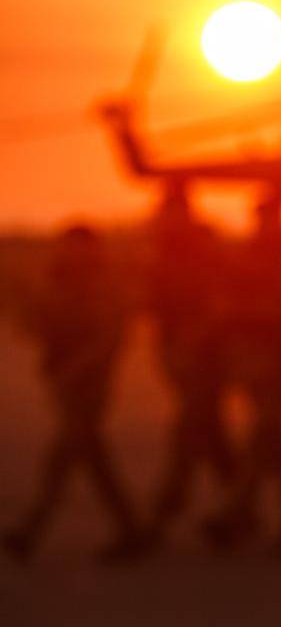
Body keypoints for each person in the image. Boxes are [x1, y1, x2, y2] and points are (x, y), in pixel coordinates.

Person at [2, 225, 145, 562]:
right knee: (91, 457)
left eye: (81, 247)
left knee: (64, 456)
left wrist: (79, 368)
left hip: (89, 383)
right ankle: (130, 529)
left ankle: (31, 530)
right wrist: (21, 303)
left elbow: (110, 337)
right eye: (70, 246)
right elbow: (37, 327)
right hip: (62, 380)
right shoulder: (57, 281)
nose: (75, 253)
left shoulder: (104, 284)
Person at [203, 189, 281, 550]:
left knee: (263, 436)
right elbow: (226, 307)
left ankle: (235, 512)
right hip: (253, 360)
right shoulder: (249, 257)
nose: (262, 224)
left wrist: (247, 313)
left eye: (268, 217)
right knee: (274, 440)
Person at [145, 182, 237, 540]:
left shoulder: (204, 251)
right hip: (181, 357)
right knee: (211, 435)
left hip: (207, 357)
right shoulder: (163, 254)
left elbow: (221, 304)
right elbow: (157, 311)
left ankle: (165, 510)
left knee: (188, 433)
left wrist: (193, 342)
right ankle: (240, 508)